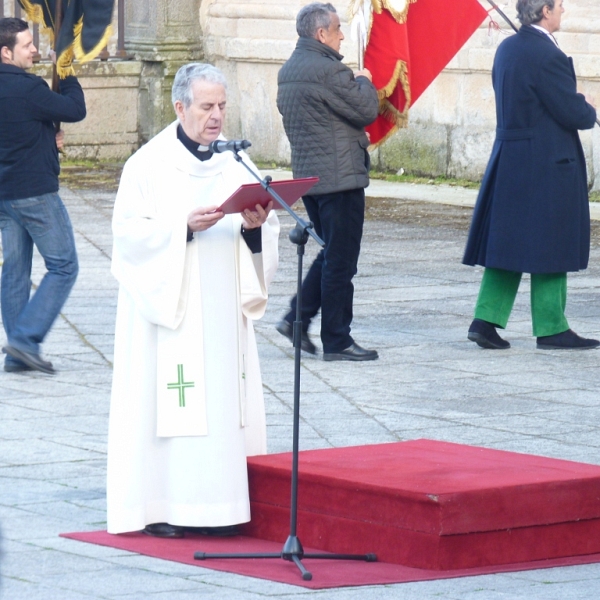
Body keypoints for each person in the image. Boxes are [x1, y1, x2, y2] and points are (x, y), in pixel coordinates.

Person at [106, 63, 279, 538]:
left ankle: (224, 505)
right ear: (180, 106)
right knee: (175, 405)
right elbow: (126, 239)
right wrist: (181, 228)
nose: (217, 116)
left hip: (223, 310)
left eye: (222, 106)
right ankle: (168, 505)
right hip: (171, 313)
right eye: (207, 107)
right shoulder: (147, 164)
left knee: (223, 407)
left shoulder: (235, 163)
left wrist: (255, 228)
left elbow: (268, 234)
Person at [463, 0, 599, 350]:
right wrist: (587, 106)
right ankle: (552, 327)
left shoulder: (508, 48)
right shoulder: (547, 55)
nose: (563, 12)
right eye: (559, 7)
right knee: (552, 242)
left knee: (508, 242)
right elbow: (571, 112)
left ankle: (485, 319)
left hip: (510, 156)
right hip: (547, 161)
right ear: (544, 11)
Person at [275, 2, 380, 361]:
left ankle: (296, 318)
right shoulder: (330, 72)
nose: (342, 37)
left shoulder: (289, 69)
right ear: (321, 33)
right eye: (337, 30)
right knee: (341, 261)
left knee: (330, 252)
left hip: (312, 179)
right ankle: (337, 339)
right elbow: (366, 110)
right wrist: (364, 80)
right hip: (340, 179)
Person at [0, 18, 86, 374]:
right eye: (26, 45)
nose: (34, 49)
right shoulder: (28, 88)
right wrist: (64, 70)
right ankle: (24, 339)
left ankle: (18, 352)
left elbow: (16, 129)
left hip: (5, 195)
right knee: (64, 265)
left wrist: (46, 139)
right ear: (6, 52)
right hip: (34, 194)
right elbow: (74, 110)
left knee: (16, 269)